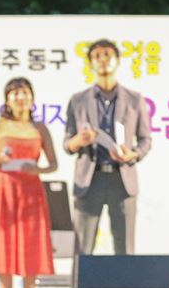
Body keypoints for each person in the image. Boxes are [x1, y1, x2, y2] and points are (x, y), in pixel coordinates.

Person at [0, 77, 59, 288]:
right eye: (15, 94)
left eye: (24, 93)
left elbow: (54, 164)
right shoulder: (1, 125)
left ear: (32, 98)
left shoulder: (40, 128)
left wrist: (38, 170)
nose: (20, 98)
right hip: (4, 190)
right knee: (3, 248)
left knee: (31, 248)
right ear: (7, 100)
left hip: (31, 192)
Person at [64, 39, 152, 255]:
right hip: (89, 179)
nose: (102, 60)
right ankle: (82, 279)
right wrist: (79, 140)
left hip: (122, 178)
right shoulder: (78, 100)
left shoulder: (134, 99)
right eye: (97, 56)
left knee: (125, 250)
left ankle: (125, 280)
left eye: (107, 55)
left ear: (118, 60)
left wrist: (133, 154)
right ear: (90, 63)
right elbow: (67, 143)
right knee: (82, 250)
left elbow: (146, 140)